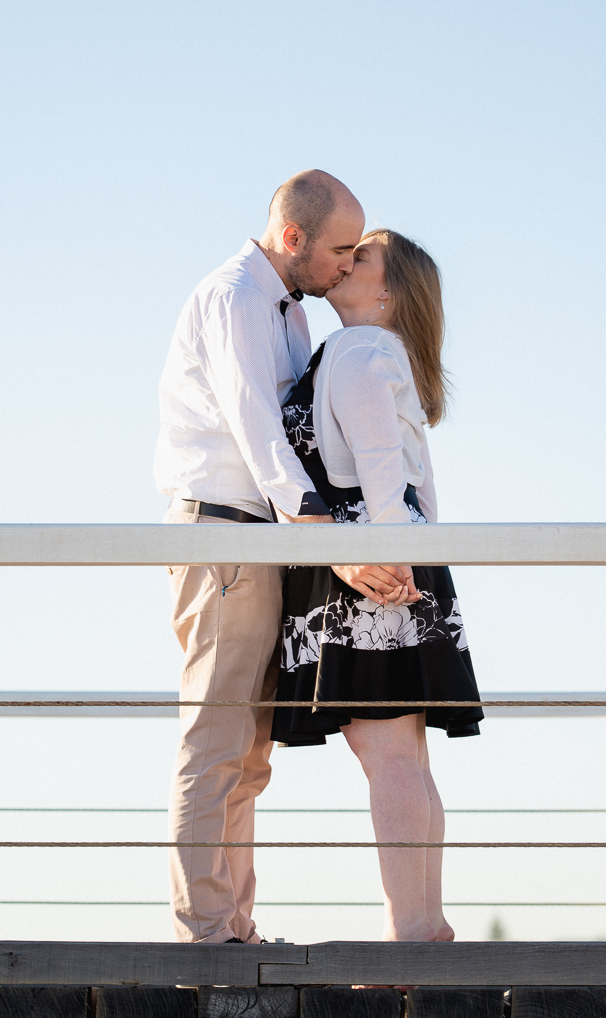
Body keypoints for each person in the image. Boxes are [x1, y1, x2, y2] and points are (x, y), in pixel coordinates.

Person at [154, 171, 412, 945]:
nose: (345, 264)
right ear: (292, 237)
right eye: (339, 249)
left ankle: (232, 926)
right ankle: (205, 939)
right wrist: (326, 540)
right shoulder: (235, 294)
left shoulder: (291, 315)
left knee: (249, 754)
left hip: (265, 538)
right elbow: (255, 424)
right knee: (217, 738)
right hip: (227, 534)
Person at [271, 228, 484, 943]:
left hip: (371, 557)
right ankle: (424, 923)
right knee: (403, 753)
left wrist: (381, 551)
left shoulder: (362, 349)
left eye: (360, 257)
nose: (343, 260)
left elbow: (379, 464)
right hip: (394, 549)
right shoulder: (373, 352)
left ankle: (411, 931)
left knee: (387, 753)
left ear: (387, 292)